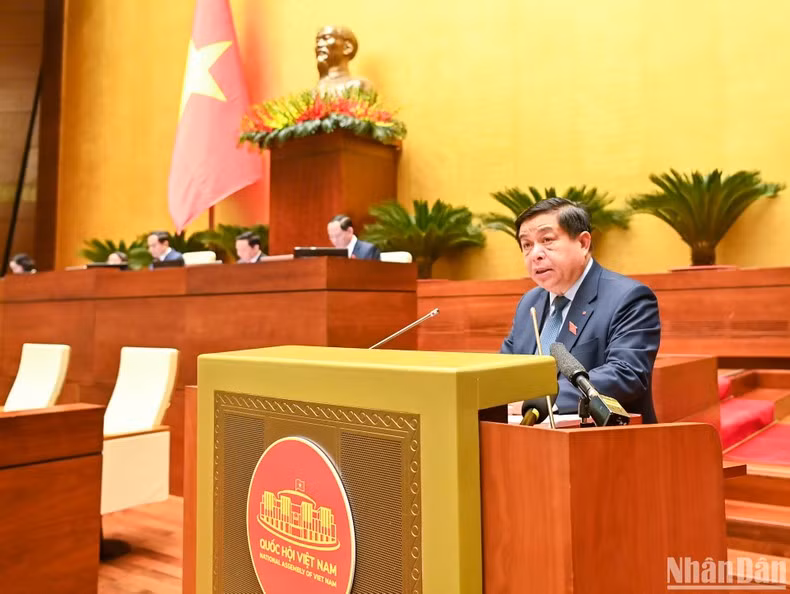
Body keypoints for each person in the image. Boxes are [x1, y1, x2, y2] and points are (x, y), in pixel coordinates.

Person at [500, 198, 660, 423]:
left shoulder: (628, 298)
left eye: (547, 240)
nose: (535, 254)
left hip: (606, 442)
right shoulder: (530, 302)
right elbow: (503, 370)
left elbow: (626, 373)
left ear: (583, 243)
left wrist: (540, 401)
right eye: (526, 245)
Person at [314, 25, 373, 96]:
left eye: (326, 38)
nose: (319, 45)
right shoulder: (314, 91)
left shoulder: (357, 86)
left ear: (347, 47)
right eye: (317, 41)